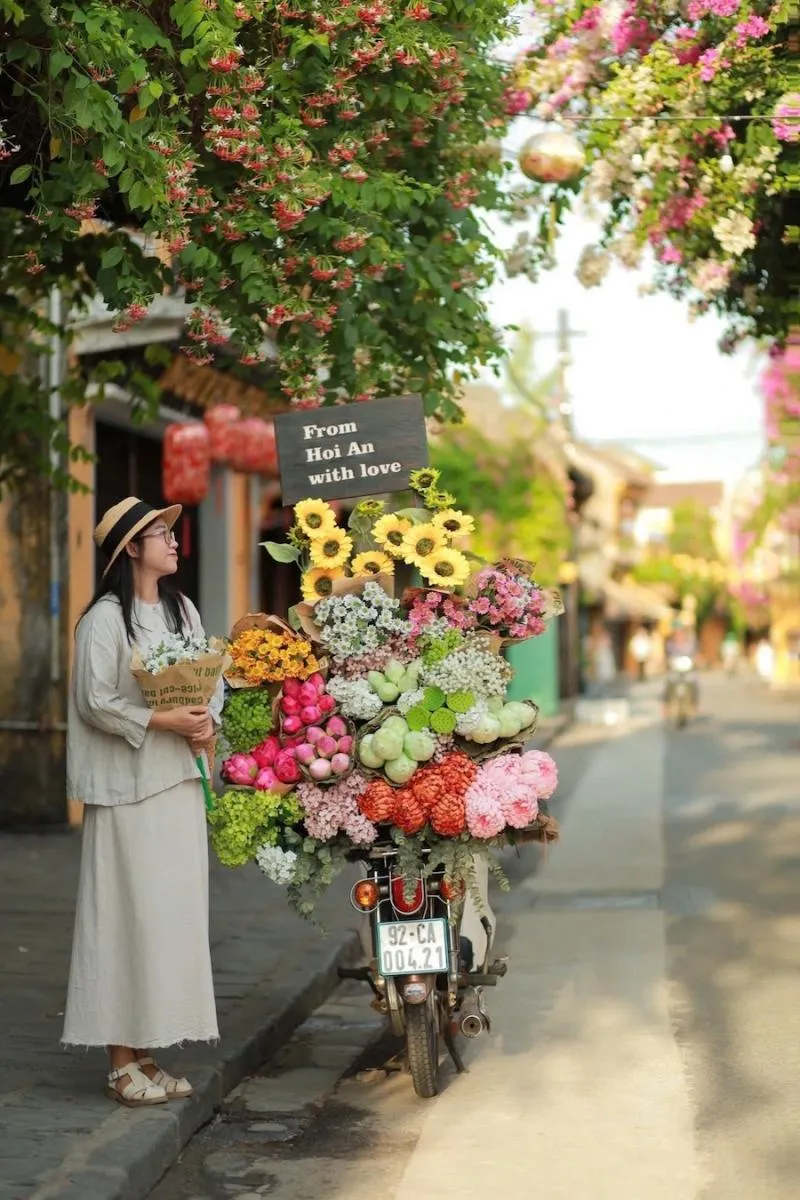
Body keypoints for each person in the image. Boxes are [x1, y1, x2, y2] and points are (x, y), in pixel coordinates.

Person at [62, 497, 223, 1107]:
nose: (175, 542)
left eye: (172, 533)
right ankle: (118, 1059)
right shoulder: (104, 620)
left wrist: (205, 722)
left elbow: (212, 681)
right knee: (124, 915)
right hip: (128, 790)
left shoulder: (183, 609)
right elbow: (94, 701)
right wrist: (160, 718)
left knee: (168, 919)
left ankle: (148, 1049)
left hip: (178, 782)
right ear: (131, 549)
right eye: (161, 534)